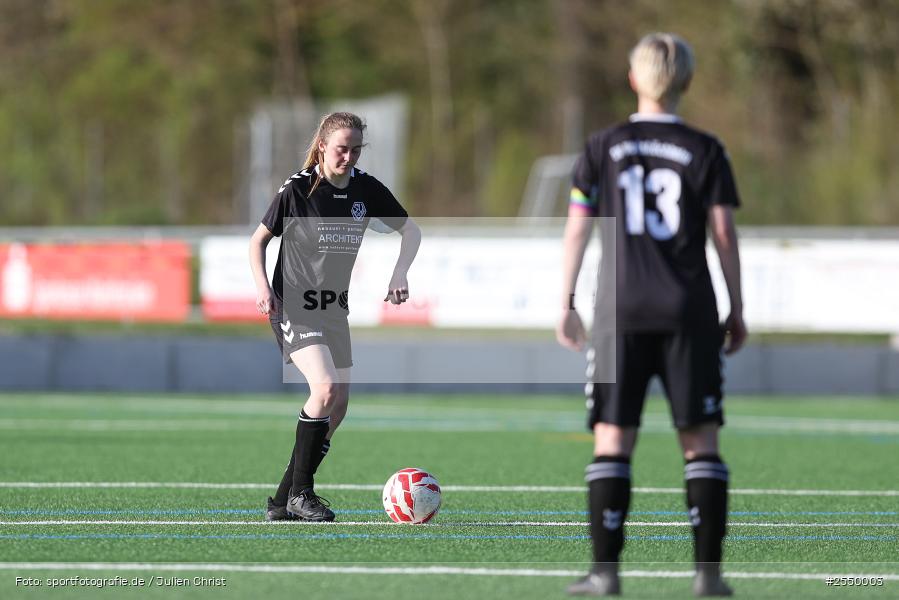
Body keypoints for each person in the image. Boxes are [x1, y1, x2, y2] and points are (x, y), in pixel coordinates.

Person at [557, 33, 746, 597]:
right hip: (689, 310)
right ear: (686, 81)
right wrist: (737, 305)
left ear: (633, 78)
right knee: (700, 442)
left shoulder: (601, 145)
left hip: (619, 312)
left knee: (613, 440)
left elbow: (576, 229)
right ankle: (708, 578)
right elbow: (723, 233)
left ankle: (604, 574)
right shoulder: (707, 148)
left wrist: (566, 302)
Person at [249, 112, 421, 522]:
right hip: (293, 304)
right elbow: (257, 242)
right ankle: (302, 495)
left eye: (356, 149)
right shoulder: (298, 189)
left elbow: (411, 231)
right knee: (324, 389)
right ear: (323, 145)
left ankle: (283, 499)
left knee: (337, 406)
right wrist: (262, 289)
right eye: (342, 148)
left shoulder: (366, 188)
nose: (349, 156)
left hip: (333, 309)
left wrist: (400, 272)